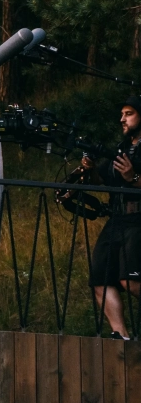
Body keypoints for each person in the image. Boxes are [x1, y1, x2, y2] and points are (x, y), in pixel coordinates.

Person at [81, 96, 141, 339]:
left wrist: (133, 178)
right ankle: (121, 337)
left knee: (131, 281)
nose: (122, 119)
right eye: (122, 114)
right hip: (116, 220)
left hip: (138, 219)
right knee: (100, 279)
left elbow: (131, 179)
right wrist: (90, 169)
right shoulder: (121, 148)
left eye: (129, 113)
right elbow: (101, 179)